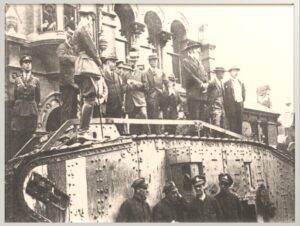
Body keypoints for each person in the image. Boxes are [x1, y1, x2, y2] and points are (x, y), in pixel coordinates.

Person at [73, 5, 103, 140]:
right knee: (90, 98)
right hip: (87, 65)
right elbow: (91, 47)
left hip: (81, 65)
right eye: (92, 17)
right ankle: (83, 131)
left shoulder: (77, 28)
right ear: (89, 15)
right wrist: (98, 61)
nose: (92, 20)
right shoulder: (84, 26)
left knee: (85, 98)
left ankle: (82, 130)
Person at [11, 55, 40, 156]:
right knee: (18, 136)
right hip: (19, 112)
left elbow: (38, 98)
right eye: (25, 63)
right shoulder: (17, 81)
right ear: (21, 65)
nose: (28, 65)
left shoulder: (36, 80)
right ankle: (16, 160)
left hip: (31, 112)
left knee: (30, 136)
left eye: (29, 63)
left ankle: (28, 159)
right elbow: (15, 96)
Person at [181, 42, 209, 136]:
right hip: (193, 94)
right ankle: (195, 136)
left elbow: (205, 74)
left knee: (202, 117)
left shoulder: (200, 63)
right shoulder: (186, 61)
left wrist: (206, 84)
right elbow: (190, 75)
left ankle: (201, 135)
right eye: (197, 50)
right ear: (191, 51)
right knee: (195, 117)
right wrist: (201, 84)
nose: (198, 52)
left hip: (202, 94)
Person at [122, 51, 150, 135]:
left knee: (144, 116)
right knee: (132, 122)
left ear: (137, 61)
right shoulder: (125, 75)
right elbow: (122, 88)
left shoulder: (142, 73)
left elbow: (146, 87)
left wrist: (136, 83)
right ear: (129, 62)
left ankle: (148, 135)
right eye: (131, 61)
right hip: (130, 101)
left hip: (140, 101)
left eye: (134, 61)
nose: (133, 62)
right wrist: (129, 85)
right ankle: (133, 138)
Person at [56, 29, 79, 124]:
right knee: (66, 108)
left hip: (74, 83)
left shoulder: (73, 49)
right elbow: (61, 58)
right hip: (66, 83)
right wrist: (74, 59)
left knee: (74, 108)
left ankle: (72, 128)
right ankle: (64, 129)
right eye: (72, 40)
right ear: (69, 38)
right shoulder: (62, 47)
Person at [144, 54, 168, 134]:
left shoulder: (161, 72)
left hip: (161, 96)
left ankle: (165, 130)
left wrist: (167, 90)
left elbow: (166, 82)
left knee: (165, 110)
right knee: (153, 113)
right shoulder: (145, 73)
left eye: (156, 60)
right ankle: (155, 132)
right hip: (151, 96)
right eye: (153, 60)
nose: (155, 62)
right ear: (149, 62)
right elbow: (146, 86)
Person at [224, 66, 246, 134]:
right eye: (234, 71)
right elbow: (225, 97)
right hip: (231, 106)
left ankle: (239, 138)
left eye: (237, 71)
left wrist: (241, 102)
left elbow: (243, 94)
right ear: (230, 73)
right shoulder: (226, 83)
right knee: (232, 123)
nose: (236, 73)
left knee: (239, 121)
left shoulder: (241, 83)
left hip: (239, 104)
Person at [207, 67, 226, 137]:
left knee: (223, 125)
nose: (223, 74)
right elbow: (208, 94)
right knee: (216, 125)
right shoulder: (212, 83)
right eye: (222, 73)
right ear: (218, 73)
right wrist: (211, 105)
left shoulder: (221, 83)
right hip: (215, 106)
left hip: (222, 107)